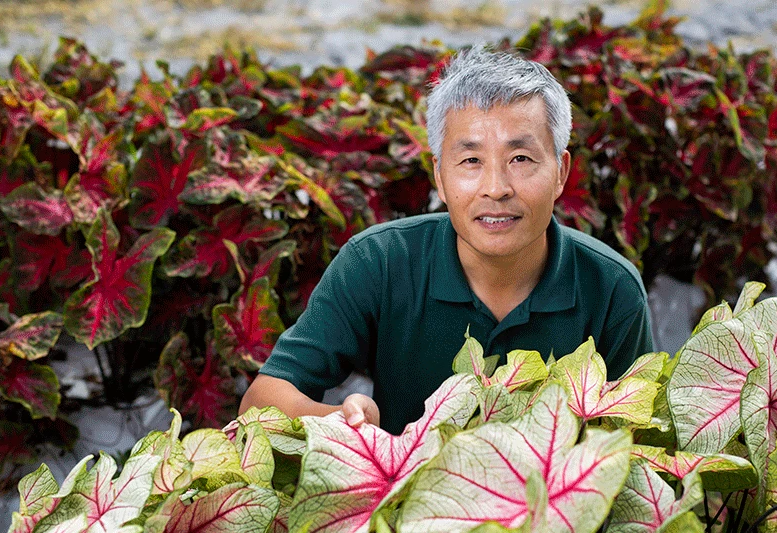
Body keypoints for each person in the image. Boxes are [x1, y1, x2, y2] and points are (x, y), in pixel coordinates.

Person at [239, 46, 653, 434]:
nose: (496, 188)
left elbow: (633, 440)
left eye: (521, 159)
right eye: (471, 160)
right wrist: (344, 421)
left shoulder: (611, 288)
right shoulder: (377, 263)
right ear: (439, 174)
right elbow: (260, 403)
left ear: (561, 172)